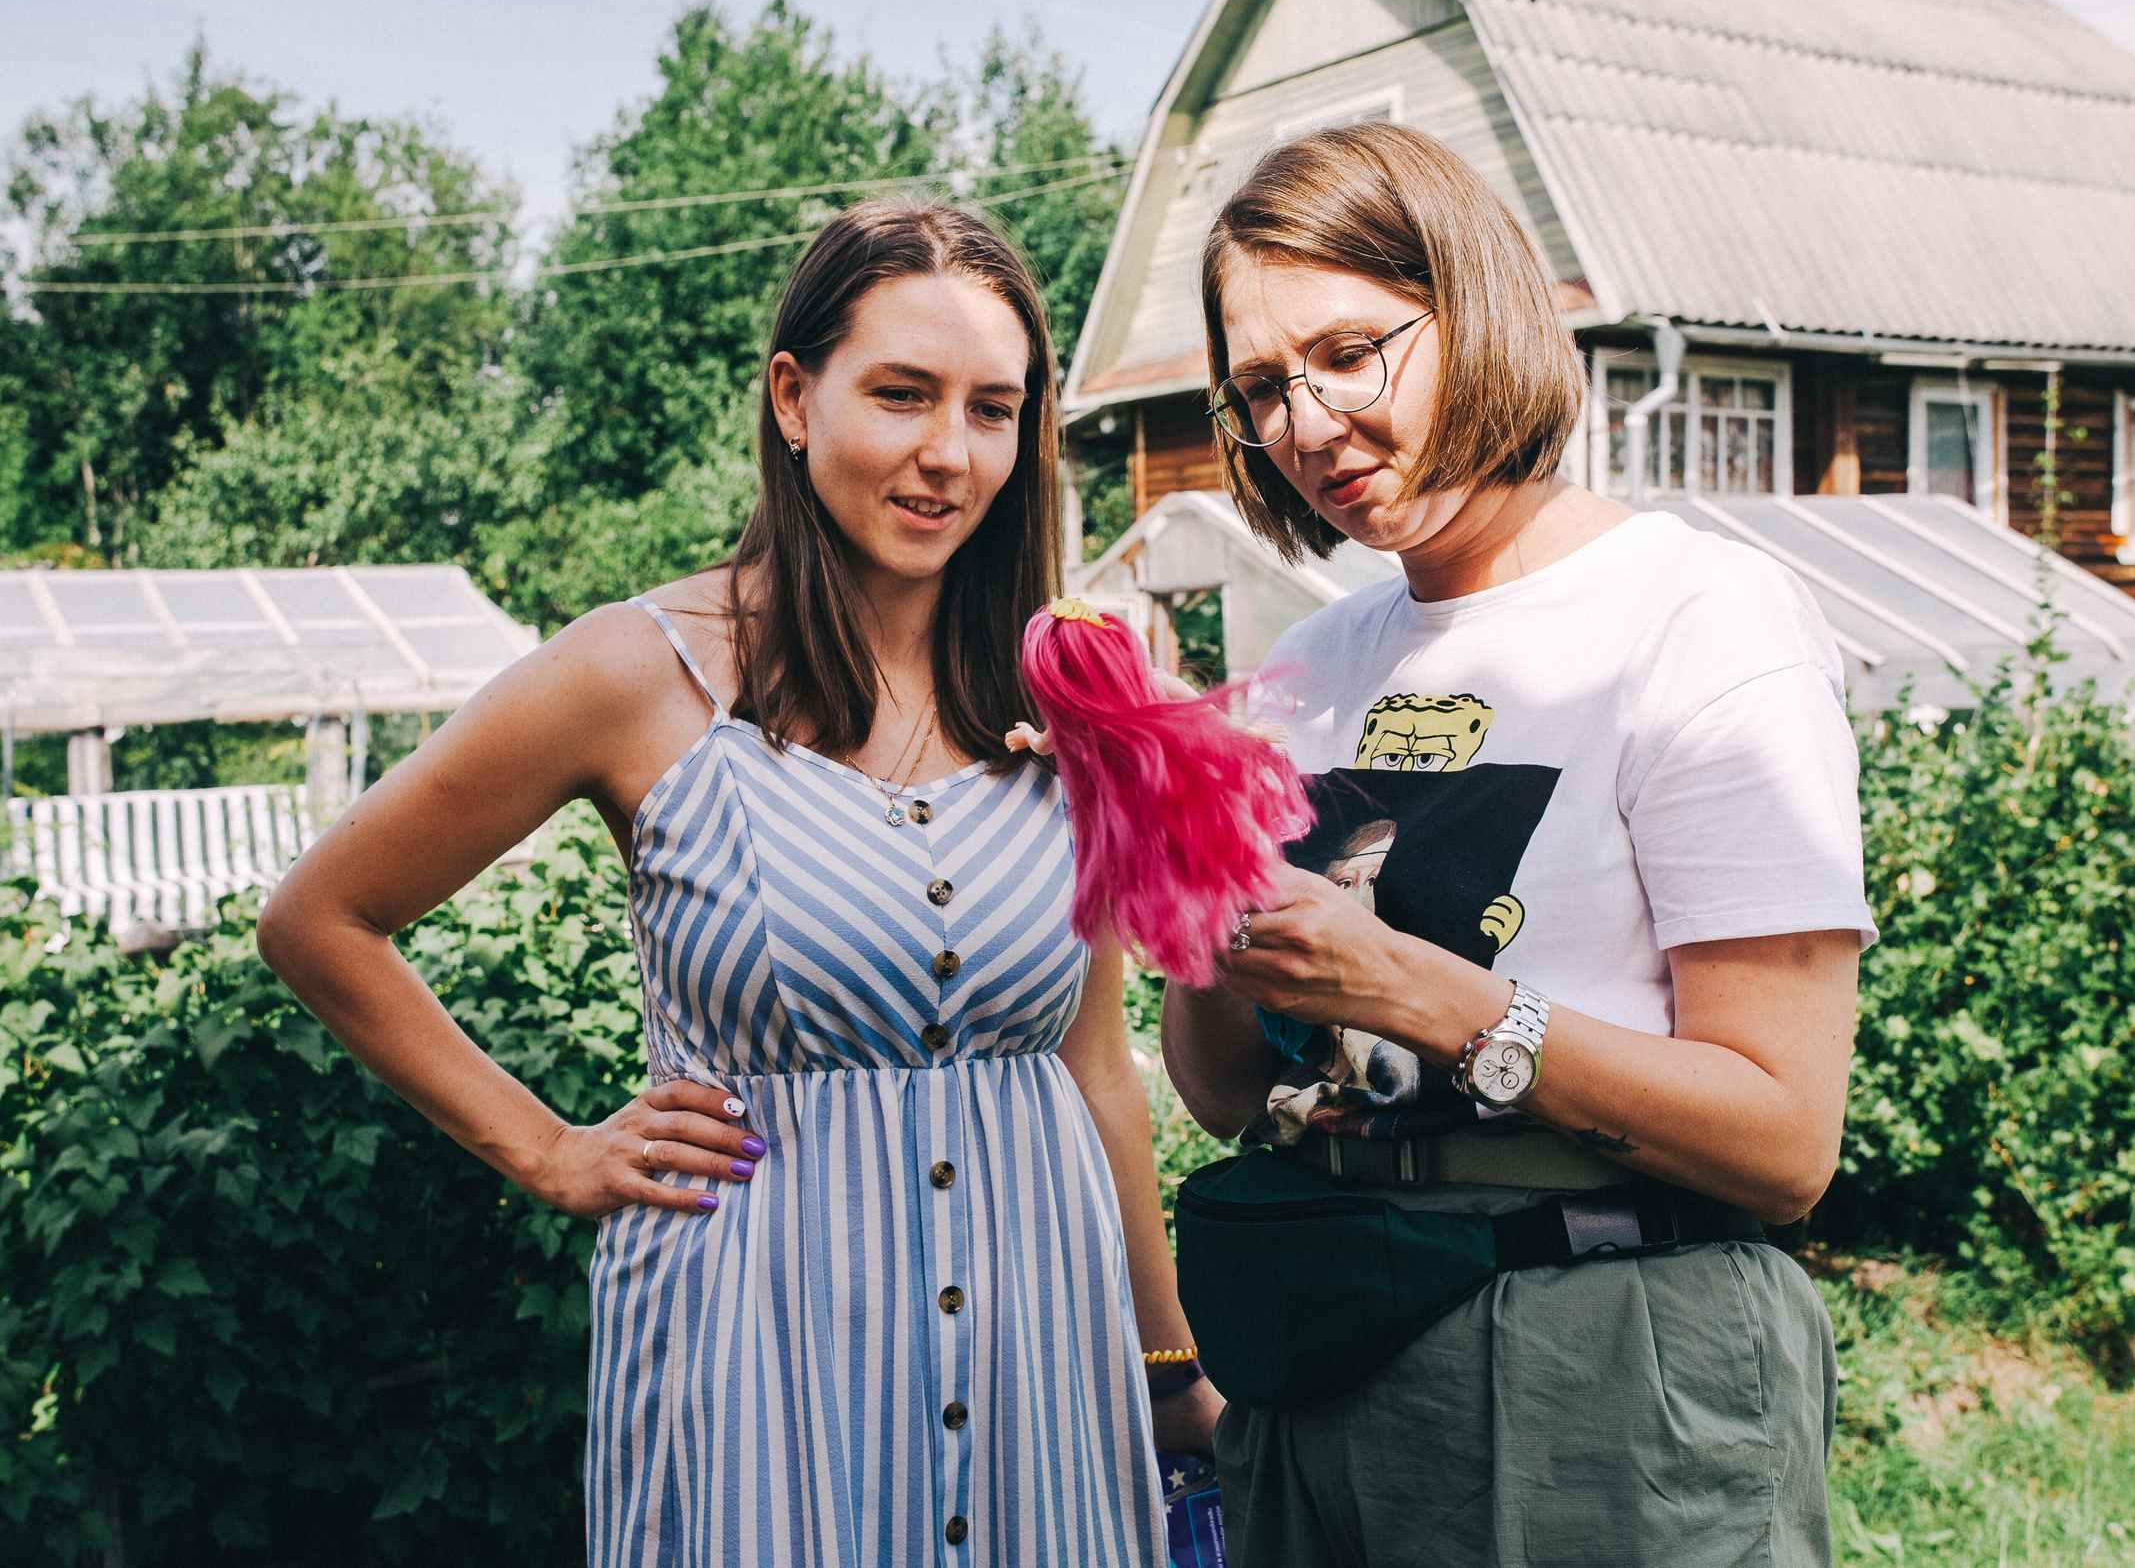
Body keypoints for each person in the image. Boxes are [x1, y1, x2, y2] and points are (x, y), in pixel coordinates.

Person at [257, 199, 1218, 1567]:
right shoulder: (634, 677)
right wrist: (545, 1150)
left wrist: (1166, 1358)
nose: (948, 453)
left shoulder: (1058, 691)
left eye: (992, 410)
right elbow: (319, 919)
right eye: (901, 394)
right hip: (761, 1356)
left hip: (1040, 1362)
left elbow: (1095, 1060)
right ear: (792, 396)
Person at [1159, 122, 1876, 1567]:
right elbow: (1232, 1092)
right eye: (1260, 388)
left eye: (1348, 352)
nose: (1304, 424)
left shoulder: (1695, 623)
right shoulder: (1311, 662)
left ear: (1475, 306)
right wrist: (1182, 881)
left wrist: (1432, 998)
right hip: (1327, 1357)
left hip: (1599, 1364)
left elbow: (1786, 1141)